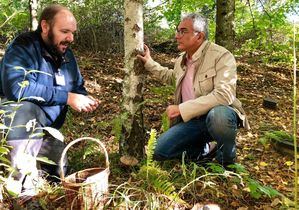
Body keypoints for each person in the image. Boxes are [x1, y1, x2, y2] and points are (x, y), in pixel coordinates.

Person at [0, 4, 99, 197]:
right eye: (64, 31)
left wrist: (84, 98)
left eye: (72, 33)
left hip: (46, 130)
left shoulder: (66, 55)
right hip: (16, 124)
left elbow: (77, 85)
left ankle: (35, 170)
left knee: (60, 170)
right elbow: (15, 88)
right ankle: (18, 187)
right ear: (45, 27)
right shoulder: (24, 47)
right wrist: (68, 97)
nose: (70, 38)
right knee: (25, 108)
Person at [138, 13, 250, 168]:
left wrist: (181, 109)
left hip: (218, 116)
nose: (177, 36)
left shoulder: (222, 56)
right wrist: (149, 63)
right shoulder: (181, 60)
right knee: (158, 151)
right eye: (177, 31)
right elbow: (172, 77)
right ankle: (205, 151)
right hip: (192, 121)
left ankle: (227, 164)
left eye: (183, 31)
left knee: (219, 116)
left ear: (199, 36)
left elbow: (225, 95)